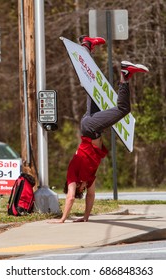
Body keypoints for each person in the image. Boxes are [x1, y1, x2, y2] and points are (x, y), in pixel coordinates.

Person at [50, 36, 149, 223]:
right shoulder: (89, 178)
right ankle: (87, 45)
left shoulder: (72, 175)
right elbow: (91, 197)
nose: (82, 190)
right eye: (82, 190)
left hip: (90, 129)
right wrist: (85, 218)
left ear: (75, 187)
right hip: (92, 126)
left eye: (79, 190)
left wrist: (62, 219)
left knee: (123, 109)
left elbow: (70, 197)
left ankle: (125, 75)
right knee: (92, 84)